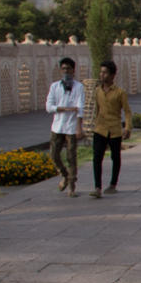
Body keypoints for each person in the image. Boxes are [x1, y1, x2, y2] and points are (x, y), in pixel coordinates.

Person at [88, 60, 131, 199]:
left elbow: (127, 111)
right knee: (97, 157)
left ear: (112, 75)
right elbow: (97, 109)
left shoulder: (120, 93)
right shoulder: (97, 91)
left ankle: (113, 184)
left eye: (105, 72)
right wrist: (93, 124)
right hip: (100, 128)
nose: (102, 75)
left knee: (115, 157)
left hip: (114, 130)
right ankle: (97, 187)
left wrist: (127, 127)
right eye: (101, 72)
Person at [46, 56, 85, 197]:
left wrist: (79, 127)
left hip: (71, 127)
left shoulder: (78, 87)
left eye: (68, 69)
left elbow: (80, 108)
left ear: (73, 70)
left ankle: (72, 187)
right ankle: (65, 175)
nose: (66, 71)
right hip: (58, 126)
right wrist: (64, 108)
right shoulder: (55, 87)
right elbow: (49, 107)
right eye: (63, 69)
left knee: (71, 157)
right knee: (53, 155)